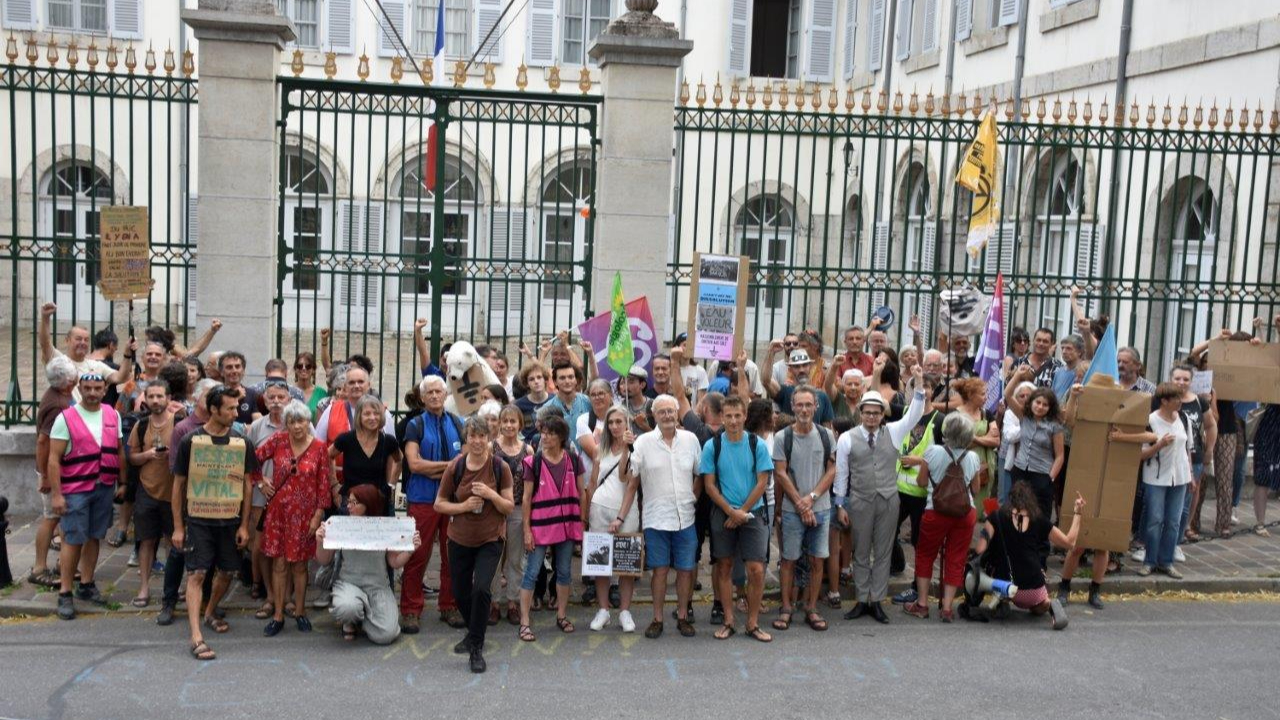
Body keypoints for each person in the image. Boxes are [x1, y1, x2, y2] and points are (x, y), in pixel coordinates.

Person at [171, 385, 260, 660]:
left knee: (227, 572)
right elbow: (178, 486)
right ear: (213, 410)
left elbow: (247, 486)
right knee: (197, 574)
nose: (236, 413)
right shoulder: (191, 442)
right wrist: (178, 526)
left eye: (237, 407)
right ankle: (196, 636)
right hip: (198, 519)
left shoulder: (241, 442)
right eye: (230, 408)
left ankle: (209, 611)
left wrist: (244, 525)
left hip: (230, 521)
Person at [834, 363, 926, 623]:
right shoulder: (847, 438)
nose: (872, 418)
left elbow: (914, 415)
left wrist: (918, 383)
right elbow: (841, 473)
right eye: (868, 413)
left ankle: (877, 600)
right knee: (860, 552)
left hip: (888, 500)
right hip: (860, 500)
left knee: (883, 551)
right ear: (861, 413)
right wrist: (841, 504)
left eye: (876, 413)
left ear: (883, 414)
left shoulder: (893, 432)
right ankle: (862, 599)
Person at [435, 415, 515, 672]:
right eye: (473, 436)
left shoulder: (499, 467)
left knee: (481, 589)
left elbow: (509, 506)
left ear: (489, 438)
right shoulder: (455, 467)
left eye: (482, 436)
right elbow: (439, 503)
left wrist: (490, 494)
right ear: (466, 440)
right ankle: (473, 633)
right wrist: (464, 506)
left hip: (490, 539)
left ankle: (476, 647)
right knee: (459, 593)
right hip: (459, 539)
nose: (478, 441)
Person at [46, 373, 125, 620]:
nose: (92, 392)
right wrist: (57, 495)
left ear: (104, 390)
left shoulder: (113, 414)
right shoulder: (65, 418)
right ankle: (65, 592)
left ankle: (87, 585)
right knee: (72, 539)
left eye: (97, 388)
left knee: (94, 536)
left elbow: (120, 450)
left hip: (104, 486)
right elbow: (53, 460)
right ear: (80, 388)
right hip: (75, 490)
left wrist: (122, 483)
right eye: (88, 388)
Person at [699, 395, 774, 642]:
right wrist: (731, 512)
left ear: (744, 417)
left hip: (754, 511)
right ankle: (729, 620)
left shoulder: (757, 444)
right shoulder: (713, 446)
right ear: (721, 417)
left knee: (755, 569)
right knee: (724, 567)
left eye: (737, 416)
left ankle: (752, 623)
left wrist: (741, 512)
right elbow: (709, 485)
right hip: (724, 512)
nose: (732, 421)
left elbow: (763, 482)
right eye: (728, 416)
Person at [627, 394, 702, 639]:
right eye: (662, 412)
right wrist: (626, 447)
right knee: (659, 571)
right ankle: (657, 618)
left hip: (685, 516)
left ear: (677, 413)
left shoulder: (691, 440)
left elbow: (700, 472)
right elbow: (631, 473)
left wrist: (693, 495)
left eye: (671, 411)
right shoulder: (643, 442)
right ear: (654, 416)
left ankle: (682, 616)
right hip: (656, 517)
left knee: (685, 569)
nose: (668, 415)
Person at [256, 400, 332, 636]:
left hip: (305, 516)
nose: (297, 426)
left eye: (301, 420)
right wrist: (260, 481)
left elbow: (324, 485)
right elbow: (252, 458)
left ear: (309, 422)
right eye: (292, 421)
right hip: (279, 513)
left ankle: (300, 612)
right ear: (286, 423)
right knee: (279, 564)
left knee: (300, 566)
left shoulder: (319, 448)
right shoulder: (278, 441)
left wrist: (317, 516)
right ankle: (278, 614)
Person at [903, 413, 984, 622]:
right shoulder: (973, 458)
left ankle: (922, 604)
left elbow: (921, 483)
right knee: (956, 558)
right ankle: (947, 608)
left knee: (925, 555)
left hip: (935, 512)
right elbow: (975, 489)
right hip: (965, 514)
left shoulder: (932, 452)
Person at [401, 375, 466, 632]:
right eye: (430, 393)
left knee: (452, 555)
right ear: (423, 396)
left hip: (451, 499)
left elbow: (465, 462)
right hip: (422, 499)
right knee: (418, 553)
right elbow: (414, 464)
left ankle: (449, 606)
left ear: (446, 394)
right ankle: (410, 609)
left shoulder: (457, 422)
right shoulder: (415, 425)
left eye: (439, 391)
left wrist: (439, 470)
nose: (435, 396)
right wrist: (449, 467)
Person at [772, 385, 837, 632]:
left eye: (808, 405)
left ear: (816, 407)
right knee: (788, 559)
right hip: (791, 510)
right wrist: (800, 504)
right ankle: (786, 607)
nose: (804, 409)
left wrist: (811, 498)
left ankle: (811, 607)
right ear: (792, 406)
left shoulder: (826, 435)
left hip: (820, 507)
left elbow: (832, 469)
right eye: (799, 404)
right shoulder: (782, 437)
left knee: (817, 560)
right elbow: (780, 472)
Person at [320, 484, 419, 645]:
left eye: (354, 503)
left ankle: (364, 617)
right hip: (349, 584)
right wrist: (320, 540)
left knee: (387, 634)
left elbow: (394, 562)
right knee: (347, 607)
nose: (349, 507)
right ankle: (351, 618)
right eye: (348, 502)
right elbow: (324, 560)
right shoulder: (341, 526)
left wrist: (410, 550)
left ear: (368, 505)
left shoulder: (383, 528)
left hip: (377, 586)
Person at [973, 483, 1081, 630]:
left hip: (1005, 586)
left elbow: (980, 550)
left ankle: (1001, 602)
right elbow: (1069, 542)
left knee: (994, 572)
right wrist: (1078, 513)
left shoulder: (996, 517)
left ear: (1010, 499)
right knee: (1038, 607)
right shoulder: (1039, 519)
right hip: (1033, 587)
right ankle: (1048, 604)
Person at [517, 414, 585, 642]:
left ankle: (562, 615)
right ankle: (524, 621)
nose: (544, 437)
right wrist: (527, 531)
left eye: (550, 433)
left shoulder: (574, 460)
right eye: (543, 432)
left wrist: (581, 523)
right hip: (541, 526)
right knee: (532, 573)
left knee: (564, 572)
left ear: (561, 437)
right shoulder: (532, 462)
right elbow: (527, 499)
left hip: (566, 526)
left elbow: (581, 493)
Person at [1120, 382, 1194, 579]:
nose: (1180, 401)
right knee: (1154, 519)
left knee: (1173, 521)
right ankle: (1150, 560)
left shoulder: (1184, 419)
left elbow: (1188, 450)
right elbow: (1141, 455)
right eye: (1176, 398)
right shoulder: (1151, 421)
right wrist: (1159, 445)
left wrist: (1192, 477)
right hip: (1156, 477)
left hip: (1180, 477)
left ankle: (1166, 561)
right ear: (1164, 401)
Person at [584, 406, 640, 632]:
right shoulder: (601, 449)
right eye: (611, 422)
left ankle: (624, 611)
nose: (615, 426)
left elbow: (627, 480)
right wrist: (587, 514)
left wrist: (627, 449)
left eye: (620, 421)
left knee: (626, 563)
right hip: (600, 508)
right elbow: (593, 482)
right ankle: (604, 610)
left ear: (627, 423)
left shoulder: (636, 449)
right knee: (600, 564)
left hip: (625, 511)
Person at [247, 381, 296, 613]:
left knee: (289, 548)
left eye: (281, 397)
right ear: (265, 402)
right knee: (265, 547)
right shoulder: (256, 426)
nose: (276, 401)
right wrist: (259, 481)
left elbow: (315, 452)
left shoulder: (299, 424)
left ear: (289, 400)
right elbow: (250, 460)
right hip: (262, 496)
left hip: (293, 498)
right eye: (272, 397)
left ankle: (286, 597)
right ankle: (269, 595)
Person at [126, 380, 176, 608]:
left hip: (172, 491)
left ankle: (172, 587)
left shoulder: (179, 423)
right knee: (145, 541)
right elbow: (132, 458)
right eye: (152, 396)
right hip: (147, 489)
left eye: (160, 396)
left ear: (168, 398)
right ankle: (144, 587)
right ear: (145, 398)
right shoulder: (141, 425)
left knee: (172, 541)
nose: (156, 400)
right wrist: (147, 455)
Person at [29, 356, 77, 589]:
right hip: (51, 469)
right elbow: (42, 441)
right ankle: (39, 568)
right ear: (67, 381)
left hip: (58, 468)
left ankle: (63, 564)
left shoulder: (59, 394)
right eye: (74, 375)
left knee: (59, 517)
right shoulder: (57, 404)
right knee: (51, 518)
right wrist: (46, 476)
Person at [37, 302, 136, 402]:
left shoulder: (96, 365)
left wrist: (127, 354)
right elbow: (45, 343)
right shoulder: (58, 360)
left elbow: (120, 377)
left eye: (86, 340)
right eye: (78, 339)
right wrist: (45, 318)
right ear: (67, 340)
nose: (82, 343)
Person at [1004, 369, 1066, 527]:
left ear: (1050, 408)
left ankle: (1039, 548)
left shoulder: (1055, 426)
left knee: (1040, 516)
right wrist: (1018, 375)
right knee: (1018, 511)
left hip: (1041, 474)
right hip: (1020, 470)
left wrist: (1050, 477)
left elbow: (1060, 456)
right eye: (1037, 403)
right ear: (1031, 402)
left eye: (1045, 405)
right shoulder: (1024, 417)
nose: (1040, 407)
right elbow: (1008, 394)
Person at [492, 405, 533, 624]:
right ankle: (494, 602)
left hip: (517, 509)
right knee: (495, 558)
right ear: (499, 423)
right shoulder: (492, 448)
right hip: (495, 510)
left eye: (513, 421)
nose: (509, 425)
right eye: (505, 421)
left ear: (520, 424)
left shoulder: (527, 450)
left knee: (516, 560)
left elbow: (529, 489)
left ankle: (513, 602)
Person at [330, 394, 401, 514]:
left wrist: (391, 485)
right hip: (350, 503)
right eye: (367, 414)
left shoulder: (388, 441)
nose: (372, 417)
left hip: (379, 502)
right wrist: (334, 484)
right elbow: (327, 456)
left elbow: (399, 460)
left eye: (376, 413)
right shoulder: (346, 439)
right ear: (359, 416)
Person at [949, 377, 999, 518]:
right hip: (961, 466)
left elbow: (996, 441)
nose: (986, 397)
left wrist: (972, 438)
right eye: (982, 394)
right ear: (971, 395)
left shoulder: (987, 414)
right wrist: (986, 438)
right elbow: (957, 445)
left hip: (984, 467)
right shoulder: (955, 415)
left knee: (981, 503)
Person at [769, 349, 835, 425]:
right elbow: (766, 381)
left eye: (804, 365)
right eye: (797, 366)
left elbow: (828, 428)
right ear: (790, 369)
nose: (801, 370)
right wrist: (771, 352)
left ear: (810, 367)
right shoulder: (785, 391)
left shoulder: (822, 396)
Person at [548, 361, 593, 452]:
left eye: (570, 377)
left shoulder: (589, 402)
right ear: (555, 382)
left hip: (588, 459)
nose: (567, 381)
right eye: (562, 378)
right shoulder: (548, 408)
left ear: (576, 380)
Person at [514, 361, 553, 443]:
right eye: (531, 379)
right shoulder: (519, 405)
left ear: (545, 380)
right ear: (527, 383)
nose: (536, 381)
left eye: (539, 377)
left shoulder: (554, 400)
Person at [217, 352, 259, 425]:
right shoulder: (216, 393)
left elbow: (257, 423)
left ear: (243, 371)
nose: (234, 371)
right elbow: (216, 420)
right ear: (221, 372)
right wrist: (236, 398)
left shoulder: (252, 394)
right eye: (229, 367)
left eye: (237, 366)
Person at [293, 351, 327, 420]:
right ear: (295, 369)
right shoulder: (288, 391)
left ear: (313, 370)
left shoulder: (322, 393)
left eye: (308, 366)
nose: (304, 368)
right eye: (300, 366)